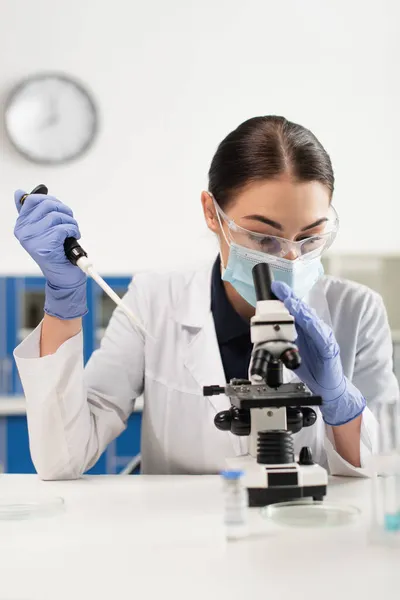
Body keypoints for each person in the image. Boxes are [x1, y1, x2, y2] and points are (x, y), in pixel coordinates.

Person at [13, 115, 398, 480]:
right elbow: (62, 458)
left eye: (309, 237)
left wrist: (341, 403)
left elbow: (385, 468)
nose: (290, 259)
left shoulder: (357, 311)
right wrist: (63, 304)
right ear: (212, 214)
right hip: (183, 541)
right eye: (264, 237)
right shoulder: (154, 300)